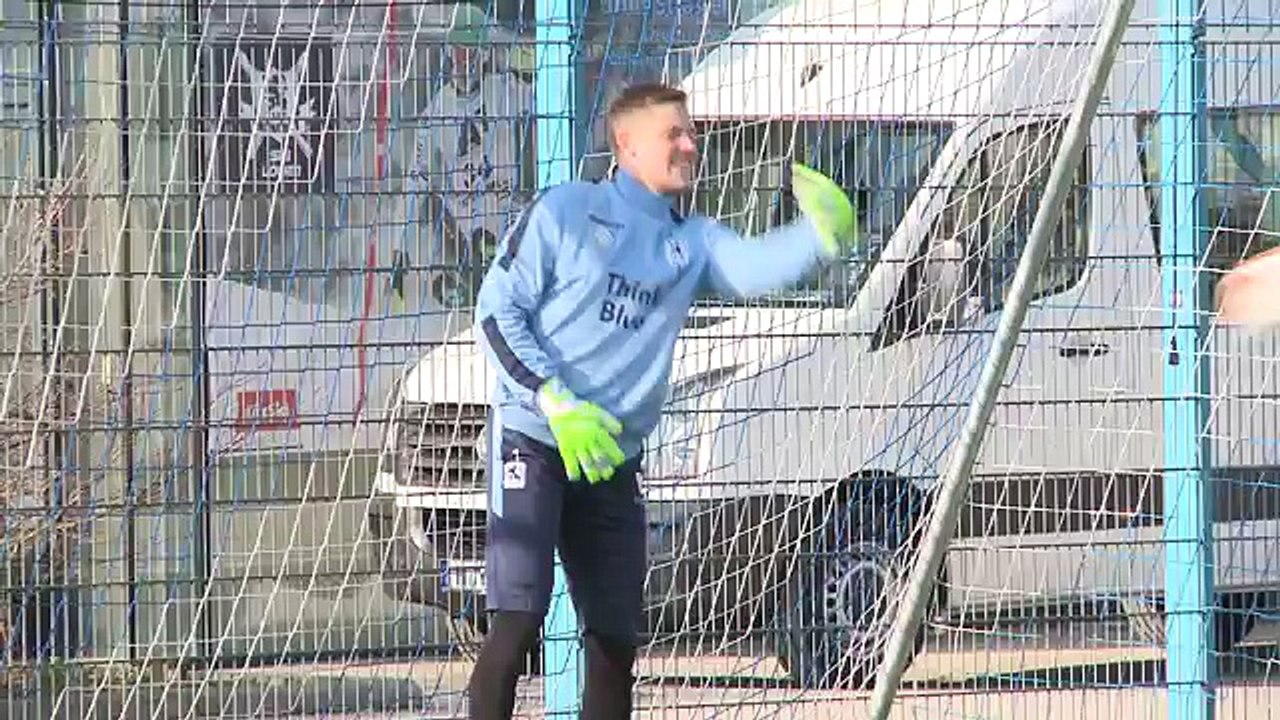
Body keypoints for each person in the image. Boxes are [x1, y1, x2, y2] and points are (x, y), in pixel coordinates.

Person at [466, 82, 857, 719]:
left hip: (611, 459)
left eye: (690, 131)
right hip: (535, 439)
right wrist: (553, 399)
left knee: (616, 642)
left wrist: (818, 237)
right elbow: (494, 310)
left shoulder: (691, 242)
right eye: (672, 133)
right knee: (517, 618)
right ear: (626, 146)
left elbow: (753, 267)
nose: (689, 143)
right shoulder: (566, 211)